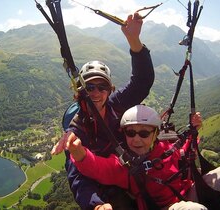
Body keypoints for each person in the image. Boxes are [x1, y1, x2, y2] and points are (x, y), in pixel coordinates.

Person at [51, 12, 155, 210]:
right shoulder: (77, 130)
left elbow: (142, 82)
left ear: (109, 90)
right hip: (107, 190)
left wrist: (134, 40)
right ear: (80, 92)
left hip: (128, 174)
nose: (96, 93)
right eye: (90, 87)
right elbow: (77, 176)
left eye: (102, 87)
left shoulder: (116, 104)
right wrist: (96, 205)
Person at [67, 104, 220, 210]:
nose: (136, 139)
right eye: (130, 133)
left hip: (188, 193)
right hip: (165, 207)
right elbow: (98, 167)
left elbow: (186, 149)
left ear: (155, 134)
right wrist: (79, 152)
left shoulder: (166, 147)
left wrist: (195, 128)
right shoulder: (125, 166)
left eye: (144, 133)